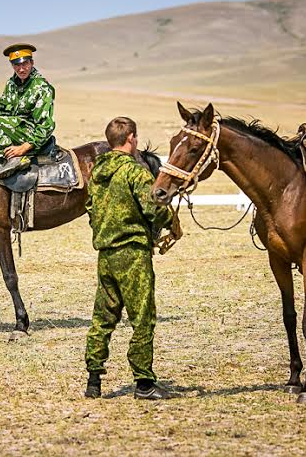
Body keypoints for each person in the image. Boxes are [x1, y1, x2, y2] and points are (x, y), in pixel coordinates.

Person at [83, 117, 175, 400]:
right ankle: (144, 383)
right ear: (131, 139)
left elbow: (90, 208)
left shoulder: (97, 172)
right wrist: (171, 220)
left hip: (106, 255)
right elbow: (153, 209)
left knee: (103, 318)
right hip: (133, 253)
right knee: (142, 318)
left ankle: (94, 381)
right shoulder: (136, 173)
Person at [0, 43, 56, 179]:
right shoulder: (11, 84)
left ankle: (16, 158)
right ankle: (8, 150)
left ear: (32, 63)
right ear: (12, 65)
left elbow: (45, 126)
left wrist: (24, 147)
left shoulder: (41, 87)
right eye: (17, 65)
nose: (21, 69)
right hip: (14, 130)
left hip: (30, 133)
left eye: (25, 64)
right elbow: (1, 114)